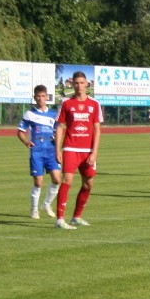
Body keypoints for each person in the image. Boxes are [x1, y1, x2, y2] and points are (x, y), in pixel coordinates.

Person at [54, 71, 103, 230]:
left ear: (87, 84)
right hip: (70, 148)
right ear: (72, 84)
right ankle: (60, 220)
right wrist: (58, 149)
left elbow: (97, 130)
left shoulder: (94, 104)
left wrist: (94, 152)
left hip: (87, 150)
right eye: (76, 83)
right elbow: (60, 127)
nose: (79, 86)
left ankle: (76, 216)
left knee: (88, 185)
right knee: (67, 180)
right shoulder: (66, 103)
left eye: (82, 83)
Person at [17, 85, 61, 219]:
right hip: (37, 150)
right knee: (38, 182)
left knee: (57, 179)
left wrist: (58, 148)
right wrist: (26, 142)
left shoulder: (54, 114)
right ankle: (34, 209)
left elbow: (58, 131)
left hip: (51, 148)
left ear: (47, 97)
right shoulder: (29, 113)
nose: (41, 99)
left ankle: (46, 204)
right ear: (35, 97)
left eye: (43, 96)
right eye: (38, 96)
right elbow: (20, 131)